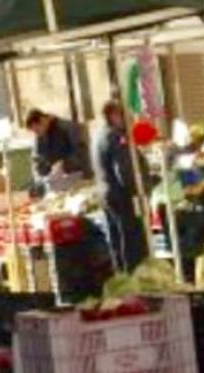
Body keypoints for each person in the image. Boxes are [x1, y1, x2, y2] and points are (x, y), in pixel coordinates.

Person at [97, 100, 149, 271]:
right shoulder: (117, 137)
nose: (128, 120)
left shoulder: (100, 135)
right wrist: (139, 189)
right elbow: (124, 170)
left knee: (117, 240)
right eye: (123, 116)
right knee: (131, 239)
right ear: (113, 116)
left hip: (106, 194)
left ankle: (121, 275)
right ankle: (133, 275)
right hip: (122, 195)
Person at [26, 107, 91, 180]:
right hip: (54, 181)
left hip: (78, 176)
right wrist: (40, 177)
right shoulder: (40, 137)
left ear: (43, 120)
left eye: (37, 130)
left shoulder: (68, 128)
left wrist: (64, 165)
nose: (36, 134)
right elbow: (37, 161)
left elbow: (82, 155)